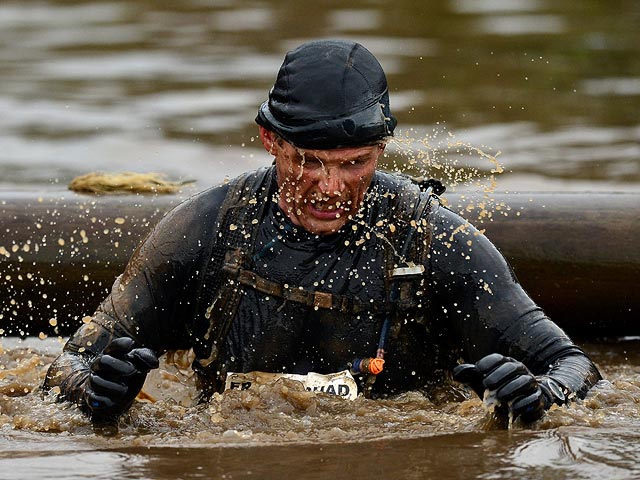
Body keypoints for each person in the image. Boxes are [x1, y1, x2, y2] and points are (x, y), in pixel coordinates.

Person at [42, 39, 601, 425]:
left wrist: (540, 397)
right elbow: (68, 362)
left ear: (381, 149)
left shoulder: (438, 244)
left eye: (355, 164)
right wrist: (91, 392)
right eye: (308, 161)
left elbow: (576, 367)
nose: (330, 187)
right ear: (269, 140)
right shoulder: (201, 231)